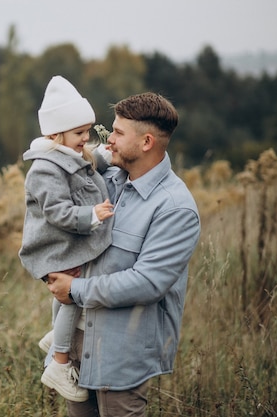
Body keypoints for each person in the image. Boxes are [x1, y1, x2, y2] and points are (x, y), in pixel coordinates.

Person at [46, 92, 201, 416]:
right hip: (77, 346)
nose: (108, 140)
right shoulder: (104, 179)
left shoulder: (175, 208)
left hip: (121, 354)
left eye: (117, 133)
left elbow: (147, 282)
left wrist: (74, 291)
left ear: (146, 142)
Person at [19, 75, 114, 402]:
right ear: (55, 134)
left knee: (69, 293)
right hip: (53, 246)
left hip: (64, 244)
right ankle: (59, 362)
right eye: (78, 134)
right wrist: (92, 215)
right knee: (73, 293)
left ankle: (55, 335)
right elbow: (58, 211)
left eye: (87, 132)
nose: (84, 139)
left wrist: (110, 154)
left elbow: (89, 161)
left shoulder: (70, 152)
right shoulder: (44, 169)